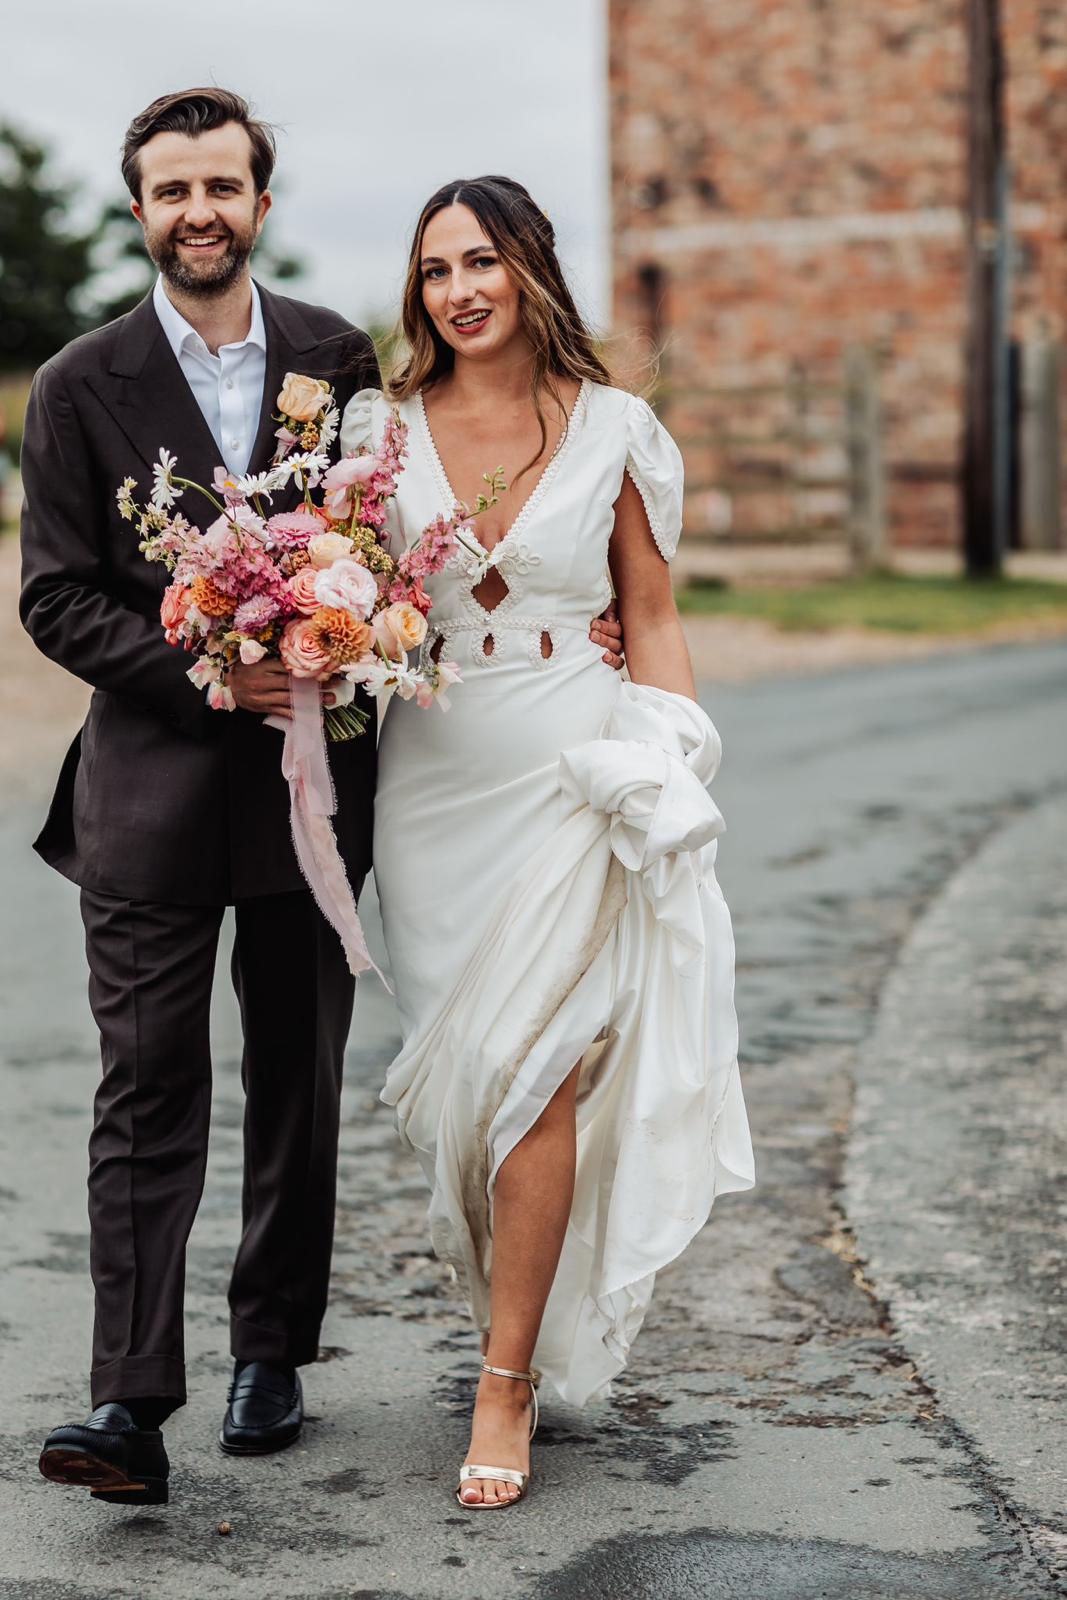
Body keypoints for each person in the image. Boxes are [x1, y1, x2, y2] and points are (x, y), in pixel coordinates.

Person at [20, 89, 624, 1509]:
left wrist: (570, 618)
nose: (198, 212)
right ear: (139, 212)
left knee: (297, 1085)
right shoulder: (75, 386)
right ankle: (129, 1396)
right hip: (152, 801)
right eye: (171, 192)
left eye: (222, 186)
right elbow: (52, 593)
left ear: (262, 203)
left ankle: (271, 1352)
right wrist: (204, 665)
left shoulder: (336, 359)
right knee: (147, 1090)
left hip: (321, 800)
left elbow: (403, 540)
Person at [341, 176, 755, 1509]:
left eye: (481, 263)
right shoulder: (379, 428)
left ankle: (504, 1380)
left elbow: (655, 611)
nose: (458, 291)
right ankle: (513, 1298)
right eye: (436, 271)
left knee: (542, 1068)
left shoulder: (618, 428)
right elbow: (343, 597)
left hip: (575, 766)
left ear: (529, 269)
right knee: (472, 1090)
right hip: (435, 781)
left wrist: (672, 750)